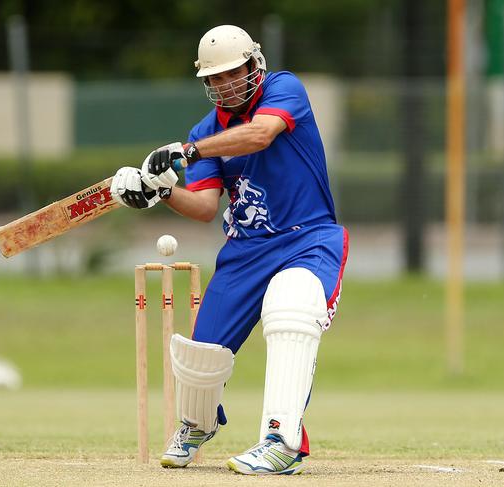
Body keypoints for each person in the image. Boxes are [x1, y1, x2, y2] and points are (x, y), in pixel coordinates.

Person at [110, 25, 349, 475]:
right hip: (246, 250)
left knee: (291, 311)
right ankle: (196, 426)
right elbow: (202, 207)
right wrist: (160, 190)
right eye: (214, 79)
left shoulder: (284, 88)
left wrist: (187, 152)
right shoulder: (205, 131)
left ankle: (281, 441)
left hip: (307, 237)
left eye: (232, 73)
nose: (225, 84)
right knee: (202, 357)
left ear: (253, 65)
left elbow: (259, 135)